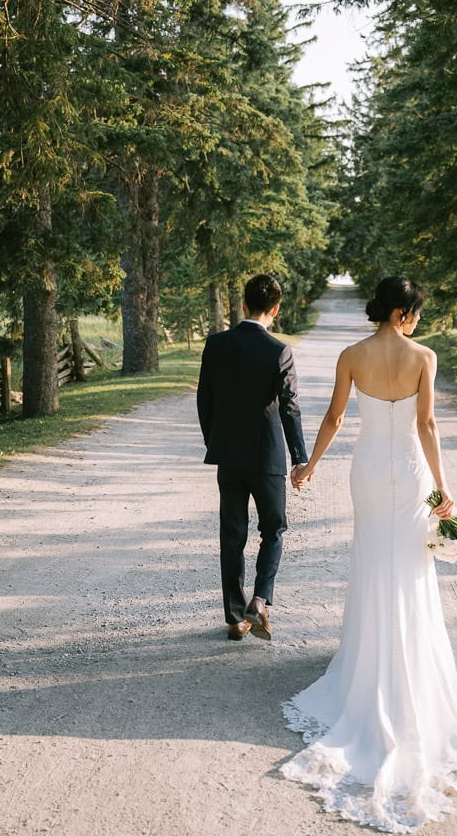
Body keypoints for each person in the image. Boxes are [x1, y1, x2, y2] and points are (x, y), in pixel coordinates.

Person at [281, 276, 457, 832]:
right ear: (403, 312)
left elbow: (334, 418)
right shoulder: (422, 356)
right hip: (411, 475)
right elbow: (426, 424)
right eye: (415, 314)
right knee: (410, 564)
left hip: (366, 474)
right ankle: (405, 660)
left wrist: (308, 466)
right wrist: (441, 492)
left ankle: (366, 659)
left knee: (372, 560)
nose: (416, 323)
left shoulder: (352, 354)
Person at [197, 273, 308, 641]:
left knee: (232, 533)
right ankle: (260, 600)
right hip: (268, 457)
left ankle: (234, 617)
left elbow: (205, 401)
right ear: (274, 310)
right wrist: (299, 457)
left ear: (243, 305)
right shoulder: (279, 351)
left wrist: (215, 441)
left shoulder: (216, 345)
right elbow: (290, 409)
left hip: (228, 456)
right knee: (273, 530)